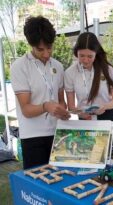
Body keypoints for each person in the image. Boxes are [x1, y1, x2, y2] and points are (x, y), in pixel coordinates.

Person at [10, 16, 70, 169]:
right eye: (40, 49)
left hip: (58, 134)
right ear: (31, 45)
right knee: (37, 186)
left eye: (49, 47)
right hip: (33, 136)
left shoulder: (58, 66)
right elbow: (26, 110)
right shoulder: (20, 66)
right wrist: (46, 106)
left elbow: (60, 100)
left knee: (61, 180)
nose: (46, 54)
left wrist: (63, 111)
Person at [64, 32, 113, 148]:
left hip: (107, 117)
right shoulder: (70, 73)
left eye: (90, 56)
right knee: (89, 158)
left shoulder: (108, 70)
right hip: (84, 120)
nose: (85, 60)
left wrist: (105, 107)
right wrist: (80, 113)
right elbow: (71, 106)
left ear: (96, 54)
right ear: (76, 52)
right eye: (82, 55)